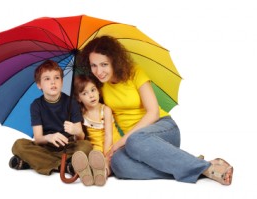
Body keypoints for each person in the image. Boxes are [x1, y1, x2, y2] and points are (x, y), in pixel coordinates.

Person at [78, 35, 233, 185]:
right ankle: (194, 166)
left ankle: (207, 168)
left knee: (135, 140)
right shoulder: (98, 86)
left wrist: (121, 142)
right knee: (119, 165)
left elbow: (153, 113)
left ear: (114, 61)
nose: (98, 71)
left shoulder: (134, 72)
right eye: (94, 65)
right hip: (136, 145)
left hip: (162, 129)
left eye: (104, 64)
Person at [9, 60, 92, 176]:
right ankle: (62, 166)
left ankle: (32, 162)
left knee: (86, 146)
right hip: (45, 148)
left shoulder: (72, 103)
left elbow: (81, 137)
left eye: (57, 78)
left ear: (62, 81)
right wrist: (49, 137)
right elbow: (38, 139)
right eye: (47, 79)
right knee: (19, 145)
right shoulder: (36, 105)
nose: (53, 82)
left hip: (67, 147)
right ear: (39, 85)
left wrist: (76, 131)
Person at [70, 75, 121, 186]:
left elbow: (108, 136)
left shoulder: (105, 110)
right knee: (94, 159)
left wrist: (105, 154)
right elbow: (80, 136)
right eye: (85, 93)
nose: (91, 95)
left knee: (107, 162)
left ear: (98, 91)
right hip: (96, 148)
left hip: (112, 144)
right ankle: (88, 174)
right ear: (79, 98)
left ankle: (103, 173)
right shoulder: (81, 114)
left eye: (93, 90)